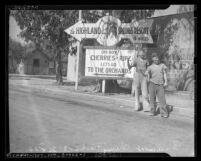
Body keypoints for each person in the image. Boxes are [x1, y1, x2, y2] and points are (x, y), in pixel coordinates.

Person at [145, 52, 169, 118]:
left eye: (157, 59)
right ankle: (152, 112)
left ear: (159, 59)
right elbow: (147, 73)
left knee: (162, 99)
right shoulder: (150, 67)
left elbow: (164, 74)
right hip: (152, 84)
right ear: (152, 59)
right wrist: (147, 75)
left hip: (160, 84)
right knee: (152, 99)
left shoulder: (162, 65)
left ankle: (164, 113)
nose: (156, 60)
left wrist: (166, 82)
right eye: (155, 59)